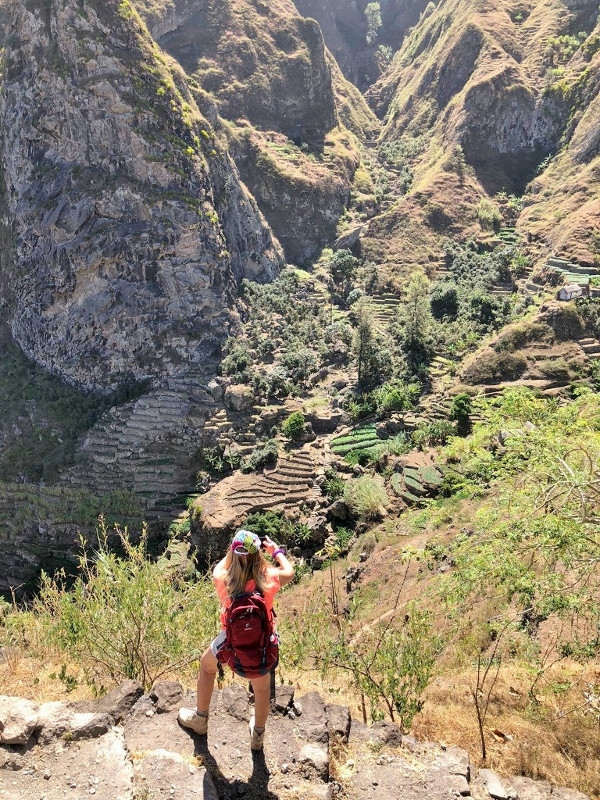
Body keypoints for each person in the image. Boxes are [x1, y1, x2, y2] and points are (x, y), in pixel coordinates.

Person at [178, 529, 294, 749]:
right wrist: (275, 550)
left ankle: (201, 719)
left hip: (230, 644)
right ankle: (257, 736)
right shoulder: (270, 578)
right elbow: (290, 570)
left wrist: (233, 549)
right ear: (258, 555)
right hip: (262, 644)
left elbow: (220, 566)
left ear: (233, 554)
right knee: (261, 690)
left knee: (206, 666)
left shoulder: (223, 579)